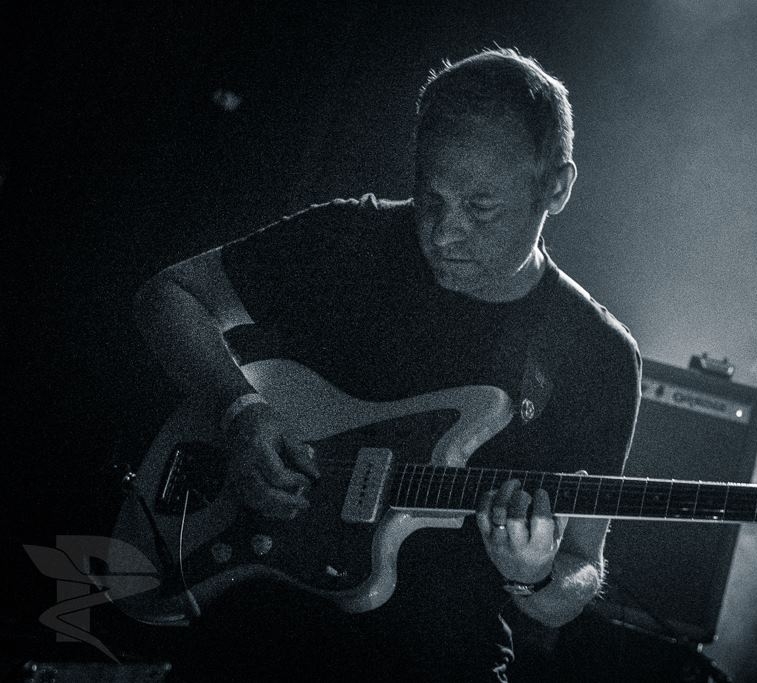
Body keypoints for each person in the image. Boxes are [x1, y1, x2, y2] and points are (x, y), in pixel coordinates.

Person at [133, 47, 641, 682]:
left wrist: (533, 575)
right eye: (430, 198)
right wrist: (241, 412)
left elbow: (582, 567)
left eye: (480, 208)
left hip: (437, 660)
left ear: (557, 187)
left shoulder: (598, 355)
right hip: (252, 625)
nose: (443, 233)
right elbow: (170, 296)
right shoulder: (351, 238)